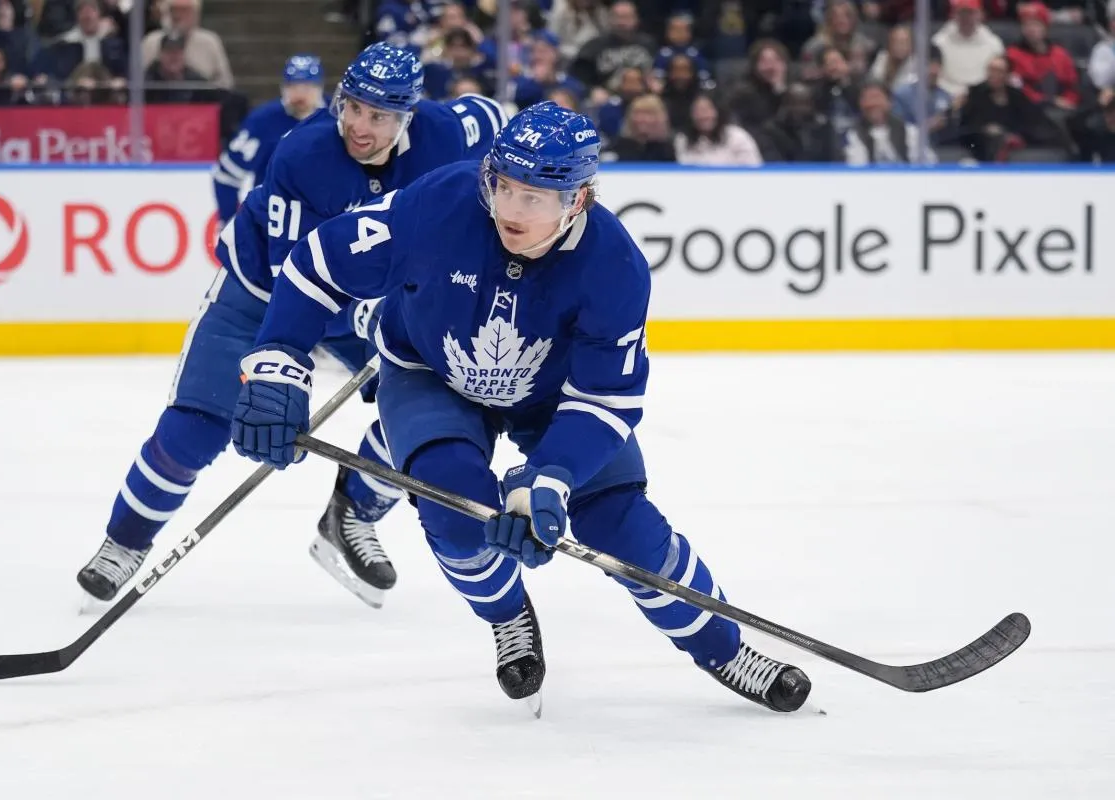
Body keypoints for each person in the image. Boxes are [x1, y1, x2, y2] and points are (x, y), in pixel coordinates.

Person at [229, 102, 813, 714]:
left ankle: (724, 649)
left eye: (534, 198)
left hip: (552, 398)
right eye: (503, 185)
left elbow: (604, 400)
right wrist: (278, 361)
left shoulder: (614, 267)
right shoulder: (442, 202)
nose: (510, 209)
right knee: (454, 509)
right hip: (432, 372)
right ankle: (508, 617)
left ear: (578, 199)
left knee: (625, 528)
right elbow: (317, 263)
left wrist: (551, 477)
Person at [75, 43, 508, 611]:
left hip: (369, 299)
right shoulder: (304, 154)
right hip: (262, 295)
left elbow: (496, 117)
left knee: (437, 412)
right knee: (198, 425)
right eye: (352, 107)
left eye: (378, 116)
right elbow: (296, 279)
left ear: (407, 116)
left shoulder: (444, 134)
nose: (359, 125)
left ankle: (350, 513)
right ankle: (124, 542)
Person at [212, 53, 325, 224]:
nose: (300, 94)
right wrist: (229, 221)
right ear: (283, 89)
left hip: (324, 222)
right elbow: (226, 175)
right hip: (273, 224)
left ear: (320, 89)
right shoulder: (262, 121)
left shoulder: (338, 119)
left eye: (307, 87)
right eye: (293, 87)